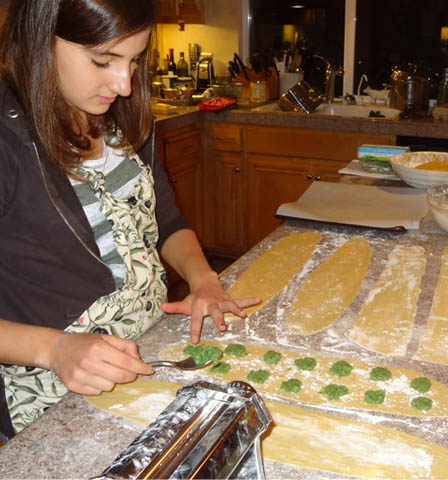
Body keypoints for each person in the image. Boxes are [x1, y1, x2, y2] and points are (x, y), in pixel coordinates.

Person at [0, 0, 259, 442]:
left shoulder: (121, 116)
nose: (123, 84)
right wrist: (55, 348)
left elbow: (167, 221)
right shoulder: (7, 142)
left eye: (135, 60)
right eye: (103, 60)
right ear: (39, 40)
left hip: (150, 353)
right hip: (52, 392)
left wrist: (202, 279)